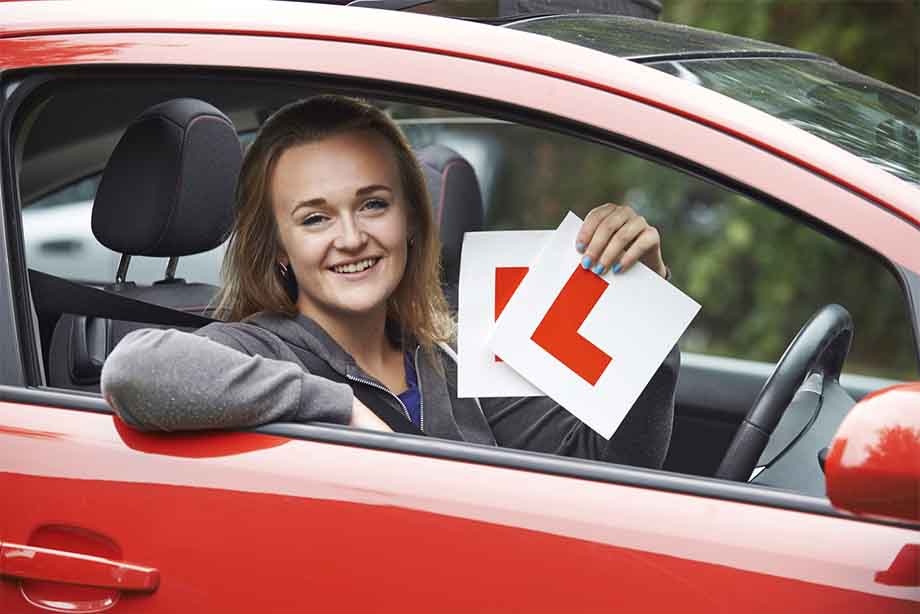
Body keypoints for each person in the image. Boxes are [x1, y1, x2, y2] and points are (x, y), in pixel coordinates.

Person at [102, 95, 679, 468]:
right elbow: (134, 371)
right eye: (315, 218)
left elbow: (613, 472)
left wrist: (644, 310)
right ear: (278, 246)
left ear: (410, 221)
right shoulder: (262, 349)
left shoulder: (451, 359)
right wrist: (340, 409)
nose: (351, 237)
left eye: (373, 204)